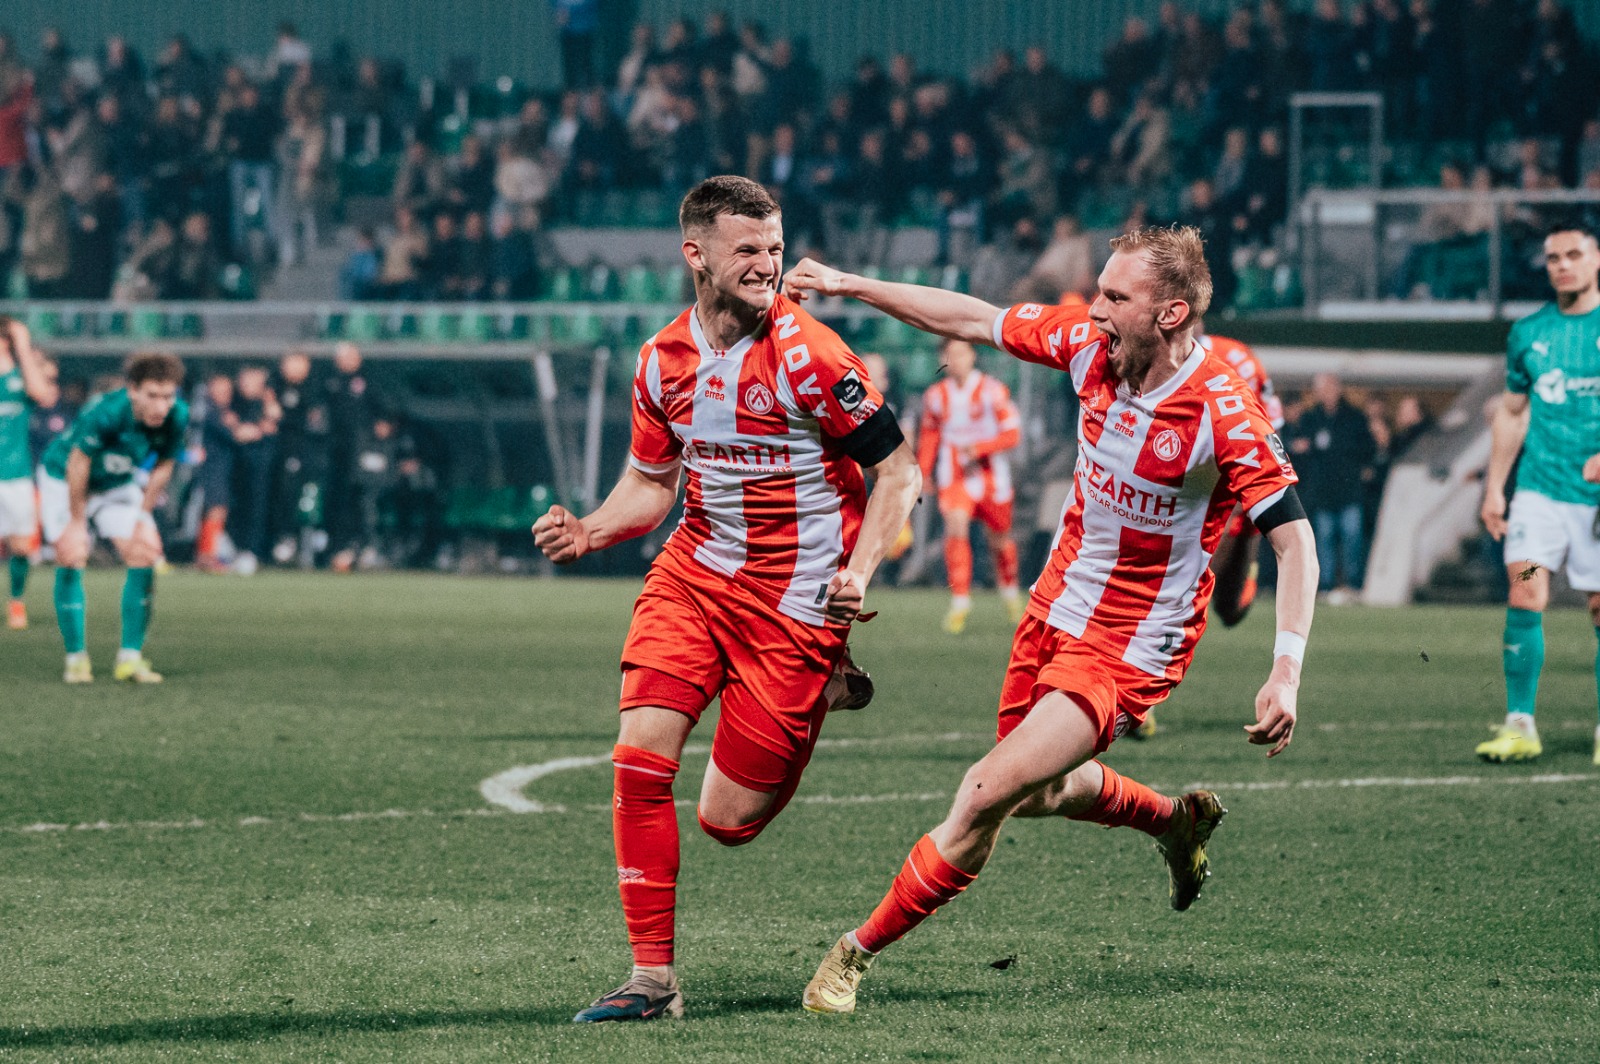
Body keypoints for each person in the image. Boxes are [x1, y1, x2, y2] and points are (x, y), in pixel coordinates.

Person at [781, 225, 1316, 1015]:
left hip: (1132, 642)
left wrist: (1285, 668)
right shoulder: (1088, 348)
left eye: (1114, 296)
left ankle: (852, 956)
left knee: (985, 791)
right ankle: (1173, 821)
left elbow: (1295, 541)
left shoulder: (1223, 413)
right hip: (1053, 607)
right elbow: (971, 319)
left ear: (1170, 314)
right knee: (1034, 793)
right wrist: (850, 285)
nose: (1093, 308)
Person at [532, 176, 921, 1023]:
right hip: (694, 576)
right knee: (638, 760)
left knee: (727, 821)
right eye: (749, 249)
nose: (768, 264)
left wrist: (860, 572)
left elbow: (900, 472)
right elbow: (651, 483)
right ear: (696, 254)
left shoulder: (813, 354)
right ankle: (651, 983)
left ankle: (823, 682)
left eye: (776, 249)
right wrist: (595, 530)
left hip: (794, 606)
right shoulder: (660, 360)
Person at [1476, 224, 1600, 766]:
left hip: (1595, 502)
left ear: (1596, 260)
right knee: (1524, 588)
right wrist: (1495, 486)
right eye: (1553, 257)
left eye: (1574, 255)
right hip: (1539, 495)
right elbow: (1511, 411)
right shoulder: (1529, 334)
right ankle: (1520, 723)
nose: (1562, 265)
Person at [39, 352, 189, 683]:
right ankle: (76, 659)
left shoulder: (177, 415)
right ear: (132, 389)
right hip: (64, 477)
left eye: (168, 396)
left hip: (115, 484)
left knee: (145, 550)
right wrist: (77, 523)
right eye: (152, 395)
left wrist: (142, 516)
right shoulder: (105, 410)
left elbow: (164, 464)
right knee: (72, 552)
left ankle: (130, 659)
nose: (161, 406)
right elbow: (78, 464)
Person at [917, 338, 1024, 632]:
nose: (956, 359)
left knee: (999, 540)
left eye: (961, 353)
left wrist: (980, 448)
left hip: (992, 477)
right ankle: (960, 602)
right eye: (950, 354)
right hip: (955, 476)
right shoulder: (936, 396)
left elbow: (1012, 435)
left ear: (973, 356)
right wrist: (924, 473)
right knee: (955, 526)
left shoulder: (993, 391)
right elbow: (929, 437)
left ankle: (1010, 593)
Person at [1285, 373, 1376, 603]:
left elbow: (1366, 447)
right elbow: (1297, 447)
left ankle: (1353, 586)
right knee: (1323, 539)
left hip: (1349, 490)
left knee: (1351, 537)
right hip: (1322, 491)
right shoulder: (1310, 418)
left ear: (1336, 389)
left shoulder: (1354, 417)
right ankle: (1325, 586)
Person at [0, 318, 50, 629]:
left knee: (20, 546)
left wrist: (22, 344)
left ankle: (16, 602)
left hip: (16, 474)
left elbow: (41, 393)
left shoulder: (21, 378)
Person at [192, 372, 238, 573]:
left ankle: (205, 555)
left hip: (222, 467)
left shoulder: (223, 411)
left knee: (215, 510)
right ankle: (207, 556)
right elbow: (234, 434)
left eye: (227, 390)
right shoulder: (213, 414)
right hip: (213, 468)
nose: (224, 394)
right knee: (216, 510)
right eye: (219, 390)